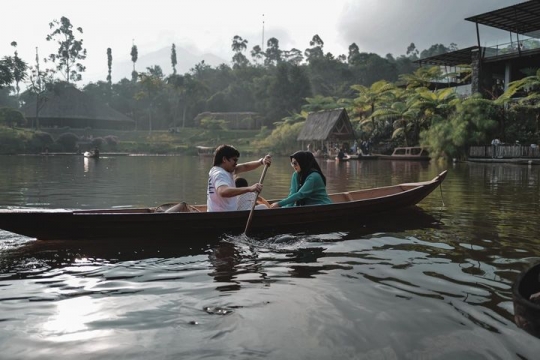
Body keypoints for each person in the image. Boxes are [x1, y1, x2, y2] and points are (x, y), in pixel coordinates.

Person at [207, 144, 271, 212]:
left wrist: (261, 161)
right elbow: (223, 192)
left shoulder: (224, 170)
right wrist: (249, 188)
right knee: (264, 207)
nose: (236, 163)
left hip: (227, 213)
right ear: (224, 159)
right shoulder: (220, 174)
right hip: (222, 216)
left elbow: (245, 166)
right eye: (234, 160)